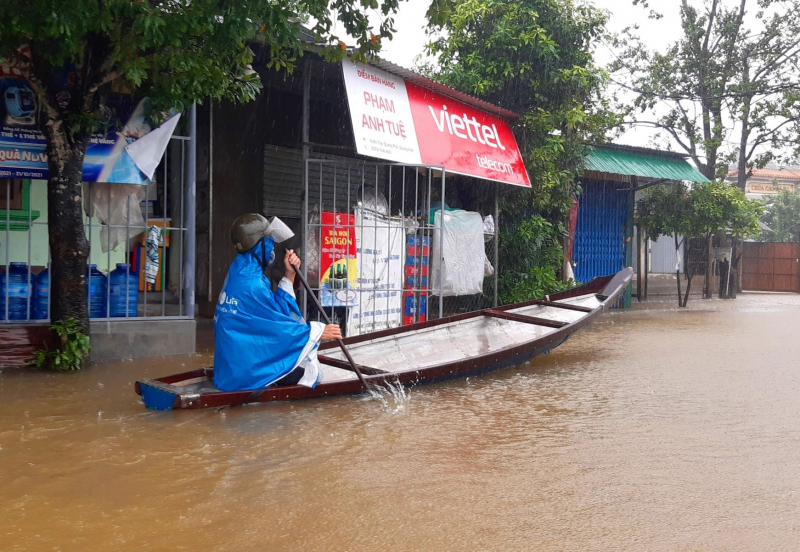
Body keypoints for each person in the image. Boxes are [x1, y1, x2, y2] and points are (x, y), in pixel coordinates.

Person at [213, 213, 342, 391]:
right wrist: (317, 332)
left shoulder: (239, 271)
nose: (273, 248)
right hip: (247, 371)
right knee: (311, 373)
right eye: (270, 243)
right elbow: (278, 329)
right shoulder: (253, 284)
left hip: (232, 367)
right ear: (261, 245)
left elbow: (272, 312)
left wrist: (290, 273)